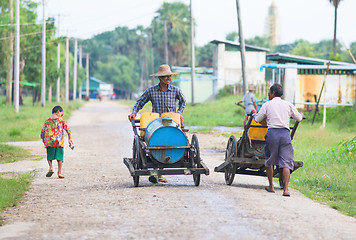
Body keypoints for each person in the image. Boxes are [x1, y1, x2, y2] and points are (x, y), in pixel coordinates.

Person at [128, 64, 186, 183]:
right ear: (160, 78)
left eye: (169, 75)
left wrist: (179, 112)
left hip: (171, 122)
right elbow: (140, 102)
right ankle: (157, 171)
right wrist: (134, 112)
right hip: (155, 124)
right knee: (155, 143)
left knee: (171, 142)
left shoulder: (175, 90)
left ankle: (160, 170)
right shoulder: (151, 91)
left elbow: (183, 101)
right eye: (165, 76)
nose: (168, 78)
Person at [250, 83, 304, 197]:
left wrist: (255, 114)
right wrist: (301, 114)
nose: (268, 94)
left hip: (272, 134)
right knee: (286, 163)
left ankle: (271, 187)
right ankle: (285, 190)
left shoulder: (267, 105)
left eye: (269, 92)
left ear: (273, 93)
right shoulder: (288, 104)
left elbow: (259, 119)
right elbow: (299, 118)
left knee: (269, 161)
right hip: (285, 135)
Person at [40, 106, 73, 179]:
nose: (61, 116)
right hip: (59, 142)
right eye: (61, 114)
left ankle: (51, 167)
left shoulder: (47, 121)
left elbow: (42, 132)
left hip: (49, 142)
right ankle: (59, 172)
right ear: (58, 112)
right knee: (60, 158)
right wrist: (70, 139)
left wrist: (43, 140)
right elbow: (68, 129)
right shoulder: (61, 120)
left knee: (50, 156)